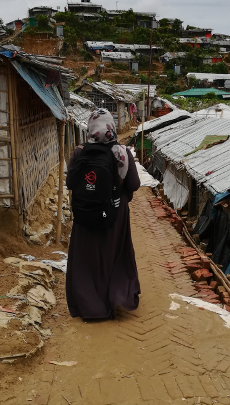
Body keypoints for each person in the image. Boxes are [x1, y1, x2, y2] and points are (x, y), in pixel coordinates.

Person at [66, 108, 141, 320]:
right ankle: (115, 298)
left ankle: (89, 307)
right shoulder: (122, 153)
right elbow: (134, 184)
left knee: (86, 260)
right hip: (115, 214)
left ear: (90, 128)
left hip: (85, 214)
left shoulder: (80, 152)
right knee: (113, 256)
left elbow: (70, 182)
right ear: (111, 128)